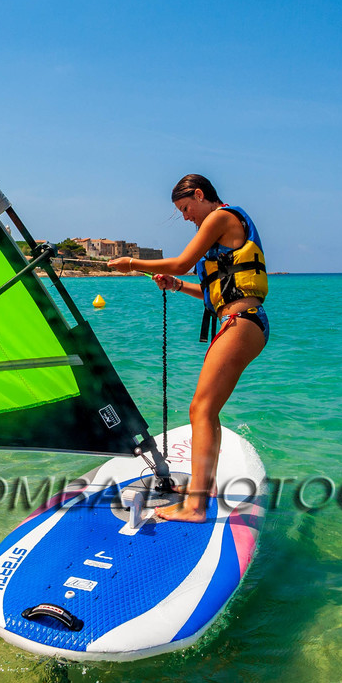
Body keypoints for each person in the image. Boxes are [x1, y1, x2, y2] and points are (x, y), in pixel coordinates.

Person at [106, 174, 268, 523]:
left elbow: (180, 262)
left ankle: (195, 507)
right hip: (239, 322)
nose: (185, 216)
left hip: (243, 323)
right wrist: (178, 285)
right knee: (207, 410)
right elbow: (214, 292)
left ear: (199, 194)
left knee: (201, 409)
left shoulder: (222, 217)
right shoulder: (218, 229)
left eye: (185, 208)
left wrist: (131, 264)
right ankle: (203, 489)